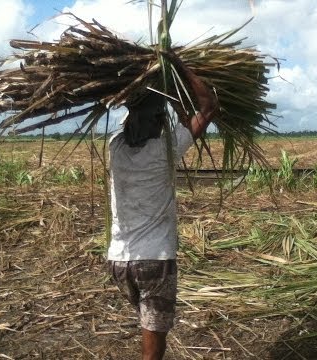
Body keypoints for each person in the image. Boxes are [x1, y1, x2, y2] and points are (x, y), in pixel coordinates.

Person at [107, 52, 217, 360]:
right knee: (152, 349)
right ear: (157, 120)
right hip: (154, 262)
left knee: (148, 327)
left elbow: (153, 118)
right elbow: (208, 107)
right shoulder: (163, 150)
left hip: (119, 263)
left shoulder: (115, 147)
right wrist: (179, 68)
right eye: (159, 117)